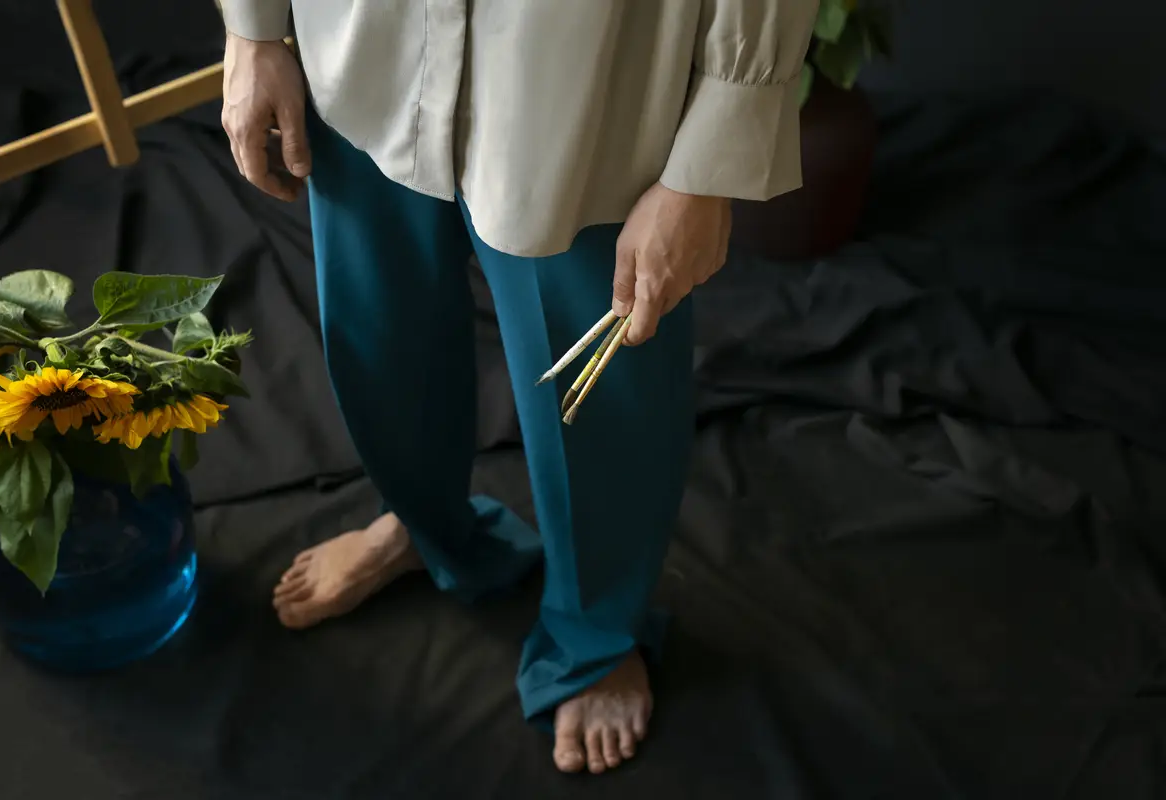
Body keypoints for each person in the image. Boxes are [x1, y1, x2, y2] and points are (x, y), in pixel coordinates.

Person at [219, 0, 817, 775]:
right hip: (360, 48)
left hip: (591, 88)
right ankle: (426, 528)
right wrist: (254, 26)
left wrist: (708, 162)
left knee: (603, 402)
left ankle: (595, 633)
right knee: (380, 340)